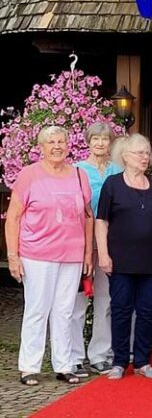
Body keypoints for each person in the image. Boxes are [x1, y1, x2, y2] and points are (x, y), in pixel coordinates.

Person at [7, 126, 93, 386]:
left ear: (69, 145)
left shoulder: (79, 175)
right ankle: (29, 366)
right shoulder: (29, 175)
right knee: (37, 309)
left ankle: (64, 364)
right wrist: (13, 255)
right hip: (38, 253)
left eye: (61, 141)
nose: (57, 146)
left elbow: (88, 215)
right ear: (41, 147)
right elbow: (13, 217)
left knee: (65, 310)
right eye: (51, 142)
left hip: (72, 253)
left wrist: (88, 252)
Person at [97, 133, 152, 380]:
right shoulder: (113, 184)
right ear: (125, 157)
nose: (145, 157)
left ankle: (142, 361)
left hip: (151, 260)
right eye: (139, 153)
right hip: (121, 260)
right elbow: (101, 222)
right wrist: (104, 255)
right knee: (120, 309)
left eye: (147, 153)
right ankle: (119, 361)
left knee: (148, 310)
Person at [70, 122, 122, 377]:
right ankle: (74, 356)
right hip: (81, 242)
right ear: (88, 142)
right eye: (96, 139)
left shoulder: (117, 170)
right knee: (78, 300)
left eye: (105, 139)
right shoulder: (77, 170)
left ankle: (100, 354)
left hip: (111, 242)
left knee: (107, 299)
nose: (101, 143)